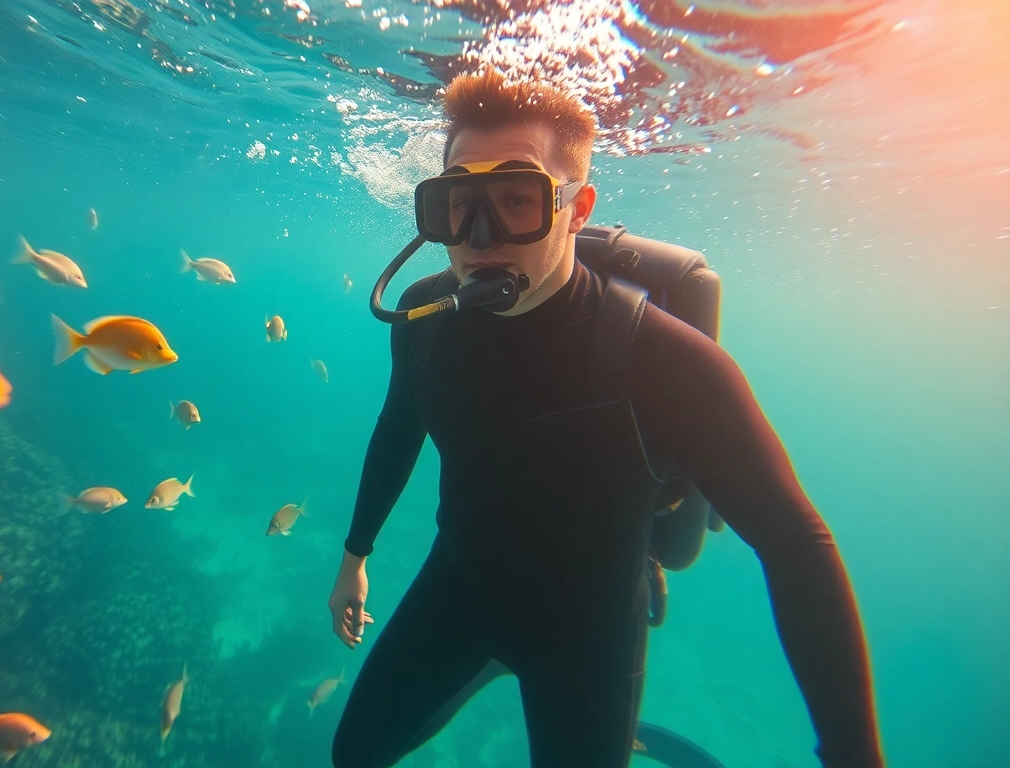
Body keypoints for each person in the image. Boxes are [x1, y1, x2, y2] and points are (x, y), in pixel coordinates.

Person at [326, 69, 885, 768]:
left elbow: (796, 543)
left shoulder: (666, 363)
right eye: (457, 203)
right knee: (352, 755)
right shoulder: (424, 317)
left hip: (589, 640)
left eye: (517, 200)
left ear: (578, 207)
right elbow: (399, 426)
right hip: (458, 592)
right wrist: (356, 556)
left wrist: (853, 753)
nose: (479, 234)